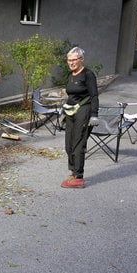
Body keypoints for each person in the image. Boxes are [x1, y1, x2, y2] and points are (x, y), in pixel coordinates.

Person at [60, 46, 99, 188]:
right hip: (71, 111)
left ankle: (79, 177)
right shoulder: (71, 75)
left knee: (78, 143)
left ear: (81, 59)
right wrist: (64, 111)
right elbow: (71, 95)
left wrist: (94, 114)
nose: (71, 63)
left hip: (84, 110)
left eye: (74, 60)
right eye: (69, 60)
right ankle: (72, 171)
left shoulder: (88, 74)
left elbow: (94, 95)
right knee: (68, 144)